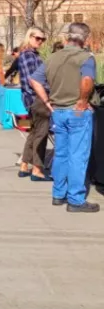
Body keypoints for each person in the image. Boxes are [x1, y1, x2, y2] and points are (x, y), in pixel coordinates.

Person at [30, 22, 98, 212]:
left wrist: (46, 101)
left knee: (61, 153)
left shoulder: (52, 58)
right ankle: (75, 199)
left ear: (67, 37)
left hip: (58, 110)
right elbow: (87, 80)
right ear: (85, 38)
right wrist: (83, 101)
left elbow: (34, 79)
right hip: (77, 111)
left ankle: (58, 193)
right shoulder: (86, 58)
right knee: (78, 156)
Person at [16, 27, 50, 181]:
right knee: (41, 134)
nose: (40, 42)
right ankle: (37, 169)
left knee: (34, 132)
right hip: (36, 97)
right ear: (29, 37)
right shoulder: (29, 55)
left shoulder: (26, 54)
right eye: (37, 38)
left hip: (30, 98)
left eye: (43, 39)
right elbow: (33, 80)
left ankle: (24, 165)